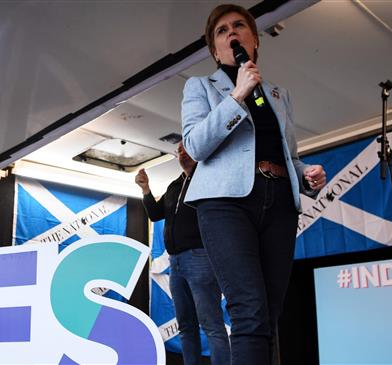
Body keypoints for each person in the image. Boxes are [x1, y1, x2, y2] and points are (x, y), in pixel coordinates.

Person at [181, 4, 327, 364]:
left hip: (278, 201)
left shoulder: (278, 94)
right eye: (222, 31)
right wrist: (237, 95)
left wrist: (307, 175)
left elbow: (288, 155)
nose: (232, 33)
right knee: (248, 310)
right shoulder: (200, 86)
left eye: (239, 26)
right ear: (216, 49)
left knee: (269, 313)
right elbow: (196, 145)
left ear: (254, 40)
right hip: (226, 204)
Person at [135, 142, 230, 365]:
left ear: (199, 152)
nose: (182, 155)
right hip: (175, 262)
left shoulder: (209, 180)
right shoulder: (174, 186)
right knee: (186, 326)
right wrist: (146, 189)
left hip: (200, 258)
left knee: (211, 324)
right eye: (179, 152)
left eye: (187, 151)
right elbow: (156, 214)